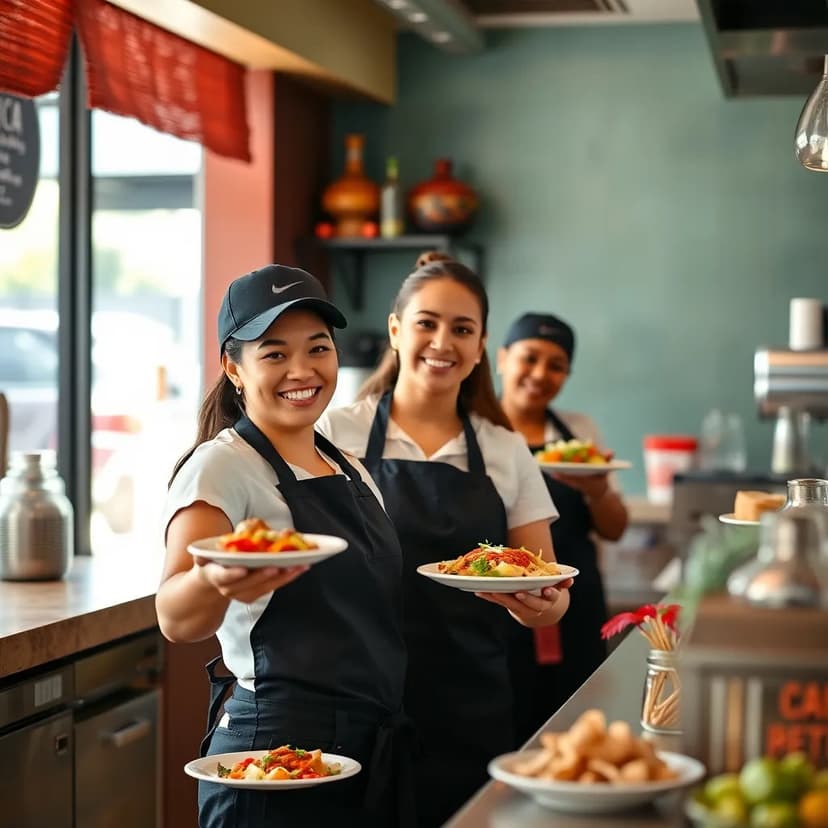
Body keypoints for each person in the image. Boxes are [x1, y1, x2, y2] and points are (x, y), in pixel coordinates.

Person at [156, 264, 413, 828]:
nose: (302, 370)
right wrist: (215, 577)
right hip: (274, 754)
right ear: (233, 368)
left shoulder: (348, 467)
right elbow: (175, 617)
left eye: (318, 348)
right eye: (274, 354)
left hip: (365, 749)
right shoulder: (221, 465)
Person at [317, 256, 571, 827]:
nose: (442, 342)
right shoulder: (335, 434)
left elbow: (552, 592)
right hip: (356, 700)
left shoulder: (505, 449)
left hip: (470, 705)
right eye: (426, 323)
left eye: (462, 329)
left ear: (480, 346)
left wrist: (537, 604)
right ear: (395, 330)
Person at [497, 312, 629, 743]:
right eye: (529, 358)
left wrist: (598, 491)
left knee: (575, 725)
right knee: (504, 723)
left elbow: (615, 529)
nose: (540, 374)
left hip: (576, 604)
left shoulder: (578, 433)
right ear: (502, 359)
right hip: (497, 606)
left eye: (556, 365)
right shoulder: (475, 432)